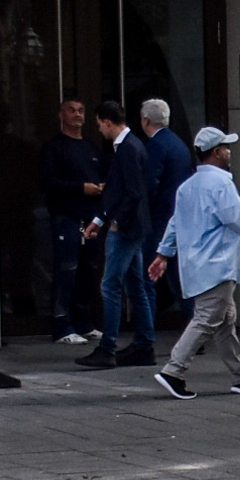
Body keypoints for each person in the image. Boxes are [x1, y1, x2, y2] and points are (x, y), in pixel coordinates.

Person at [147, 126, 240, 398]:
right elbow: (237, 216)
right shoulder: (221, 184)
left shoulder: (187, 187)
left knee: (224, 321)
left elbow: (175, 223)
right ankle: (173, 370)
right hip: (218, 264)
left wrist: (163, 254)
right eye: (226, 147)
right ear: (217, 152)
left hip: (196, 265)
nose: (229, 151)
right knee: (208, 319)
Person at [77, 100, 155, 370]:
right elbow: (125, 190)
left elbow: (132, 192)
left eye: (99, 124)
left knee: (110, 286)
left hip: (126, 228)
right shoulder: (130, 146)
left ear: (107, 121)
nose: (99, 129)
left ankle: (108, 346)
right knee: (135, 286)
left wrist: (115, 221)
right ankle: (144, 344)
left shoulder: (127, 149)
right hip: (133, 225)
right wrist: (100, 219)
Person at [39, 98, 104, 342]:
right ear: (61, 115)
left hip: (91, 219)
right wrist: (81, 188)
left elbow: (102, 174)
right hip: (66, 216)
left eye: (81, 110)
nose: (77, 115)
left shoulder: (90, 147)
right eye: (72, 110)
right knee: (67, 269)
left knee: (88, 271)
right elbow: (49, 183)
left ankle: (84, 322)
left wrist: (100, 187)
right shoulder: (54, 148)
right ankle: (62, 326)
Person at [139, 100, 194, 326]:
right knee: (178, 280)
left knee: (147, 279)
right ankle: (194, 331)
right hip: (178, 218)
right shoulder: (179, 144)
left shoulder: (156, 146)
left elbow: (150, 184)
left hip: (159, 220)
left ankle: (146, 334)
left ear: (145, 120)